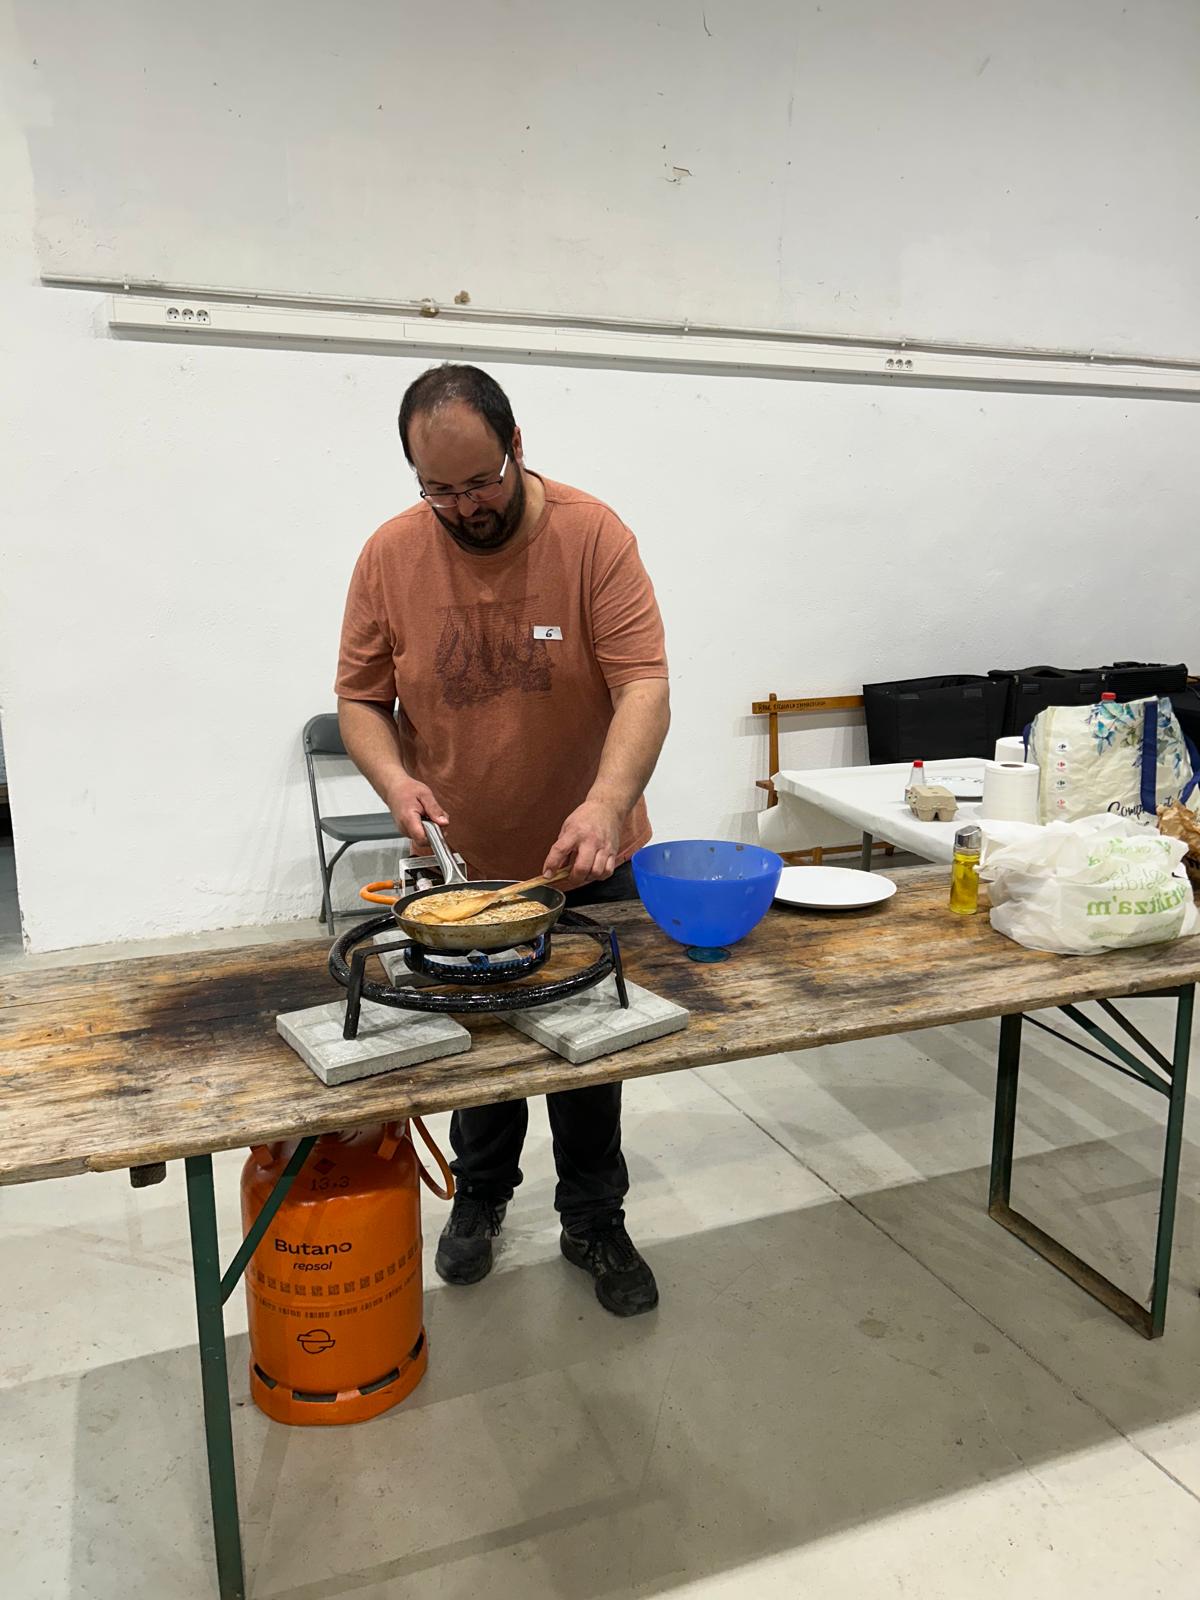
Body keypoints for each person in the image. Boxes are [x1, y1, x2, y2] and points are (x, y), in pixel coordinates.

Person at [335, 364, 670, 1317]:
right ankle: (480, 1197)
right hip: (462, 868)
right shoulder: (389, 555)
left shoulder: (592, 535)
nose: (465, 507)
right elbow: (360, 698)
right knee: (476, 1051)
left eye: (481, 482)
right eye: (438, 489)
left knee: (588, 1054)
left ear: (518, 446)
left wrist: (607, 802)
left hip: (584, 857)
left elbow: (645, 683)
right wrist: (395, 782)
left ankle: (594, 1217)